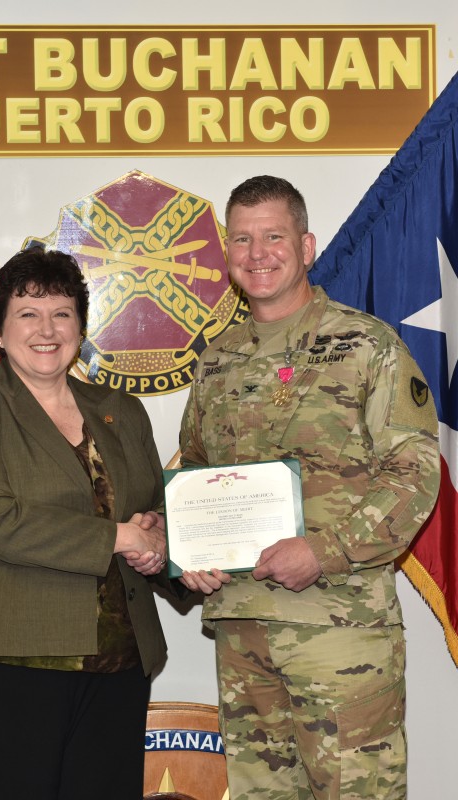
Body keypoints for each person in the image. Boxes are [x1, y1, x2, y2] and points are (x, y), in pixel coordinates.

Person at [178, 175, 440, 800]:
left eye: (273, 236)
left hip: (339, 629)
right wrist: (185, 553)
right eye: (241, 239)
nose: (257, 253)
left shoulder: (366, 345)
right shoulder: (216, 361)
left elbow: (416, 469)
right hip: (243, 631)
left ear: (306, 245)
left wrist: (326, 549)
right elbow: (193, 476)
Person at [0, 246, 168, 800]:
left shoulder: (120, 409)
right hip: (4, 657)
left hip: (117, 659)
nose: (46, 329)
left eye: (61, 313)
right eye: (27, 314)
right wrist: (122, 536)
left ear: (80, 328)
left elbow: (155, 507)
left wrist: (158, 537)